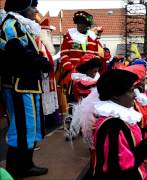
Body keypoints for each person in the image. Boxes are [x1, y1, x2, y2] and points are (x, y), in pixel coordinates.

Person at [0, 0, 51, 178]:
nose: (36, 10)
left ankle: (26, 164)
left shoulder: (20, 25)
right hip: (19, 85)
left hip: (27, 84)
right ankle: (17, 167)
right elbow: (17, 51)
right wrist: (42, 62)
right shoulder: (11, 24)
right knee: (22, 126)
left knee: (30, 126)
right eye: (32, 7)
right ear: (21, 7)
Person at [93, 69, 147, 179]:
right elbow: (117, 168)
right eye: (131, 91)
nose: (135, 95)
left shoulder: (121, 117)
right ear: (116, 95)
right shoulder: (112, 126)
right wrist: (142, 152)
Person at [56, 10, 101, 123]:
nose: (81, 26)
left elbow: (96, 55)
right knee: (73, 99)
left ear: (88, 25)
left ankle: (87, 122)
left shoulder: (93, 38)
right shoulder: (69, 36)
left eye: (84, 24)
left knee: (90, 98)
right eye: (79, 23)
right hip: (74, 73)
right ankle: (73, 121)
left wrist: (94, 70)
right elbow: (64, 54)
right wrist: (70, 69)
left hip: (90, 75)